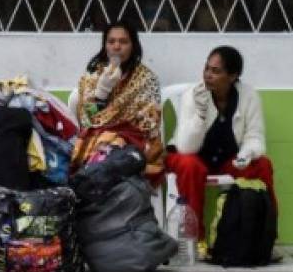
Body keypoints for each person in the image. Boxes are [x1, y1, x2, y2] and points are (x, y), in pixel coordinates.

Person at [165, 46, 276, 239]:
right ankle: (194, 238)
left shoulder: (249, 96)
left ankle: (264, 236)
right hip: (192, 157)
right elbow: (185, 147)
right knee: (190, 165)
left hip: (228, 160)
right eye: (207, 69)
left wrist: (246, 153)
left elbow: (255, 136)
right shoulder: (193, 94)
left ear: (233, 76)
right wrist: (200, 115)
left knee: (263, 165)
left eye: (216, 71)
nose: (208, 75)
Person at [68, 21, 164, 179]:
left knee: (108, 146)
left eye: (123, 42)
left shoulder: (146, 79)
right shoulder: (94, 75)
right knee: (99, 147)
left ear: (133, 45)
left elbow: (149, 124)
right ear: (105, 45)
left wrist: (117, 133)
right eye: (111, 41)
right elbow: (86, 119)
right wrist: (101, 93)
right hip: (97, 139)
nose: (117, 47)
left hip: (133, 141)